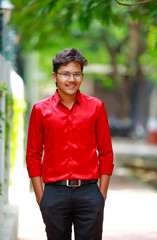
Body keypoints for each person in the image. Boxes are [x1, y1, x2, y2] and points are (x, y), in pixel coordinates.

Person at [26, 48, 114, 240]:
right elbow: (33, 155)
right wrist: (41, 198)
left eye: (76, 74)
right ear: (54, 76)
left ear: (82, 76)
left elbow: (106, 153)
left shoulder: (96, 107)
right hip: (54, 193)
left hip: (89, 193)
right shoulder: (40, 110)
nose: (71, 79)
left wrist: (101, 195)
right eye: (65, 74)